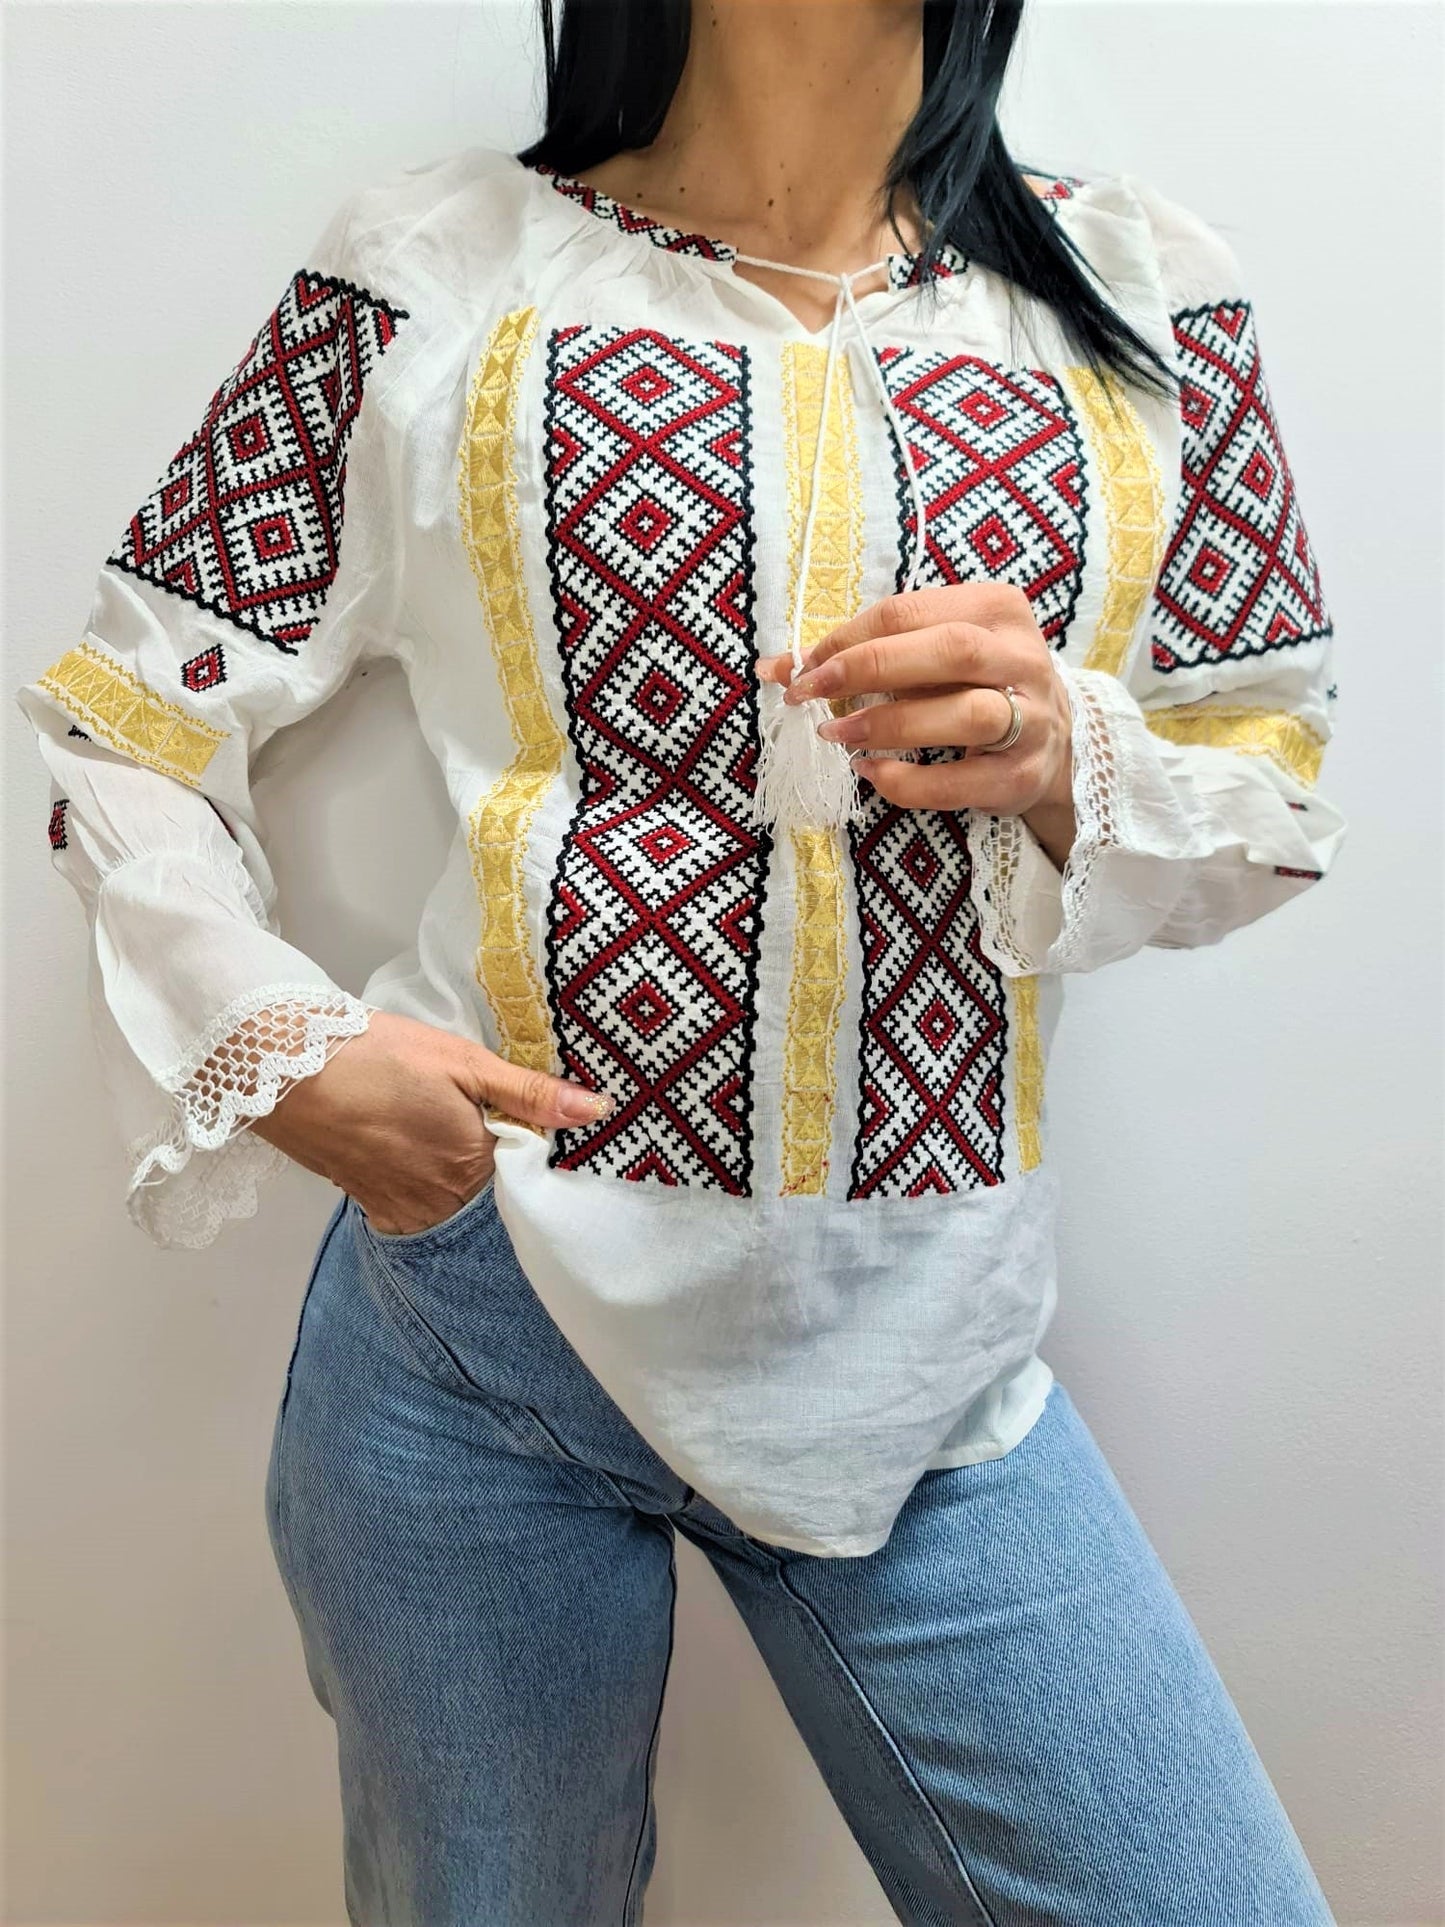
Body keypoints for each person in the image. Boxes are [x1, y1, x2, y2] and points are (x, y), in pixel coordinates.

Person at [15, 0, 1345, 1919]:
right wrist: (276, 1044)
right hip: (476, 1323)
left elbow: (1274, 782)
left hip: (928, 1357)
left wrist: (1068, 754)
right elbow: (124, 719)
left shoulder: (1139, 296)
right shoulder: (435, 266)